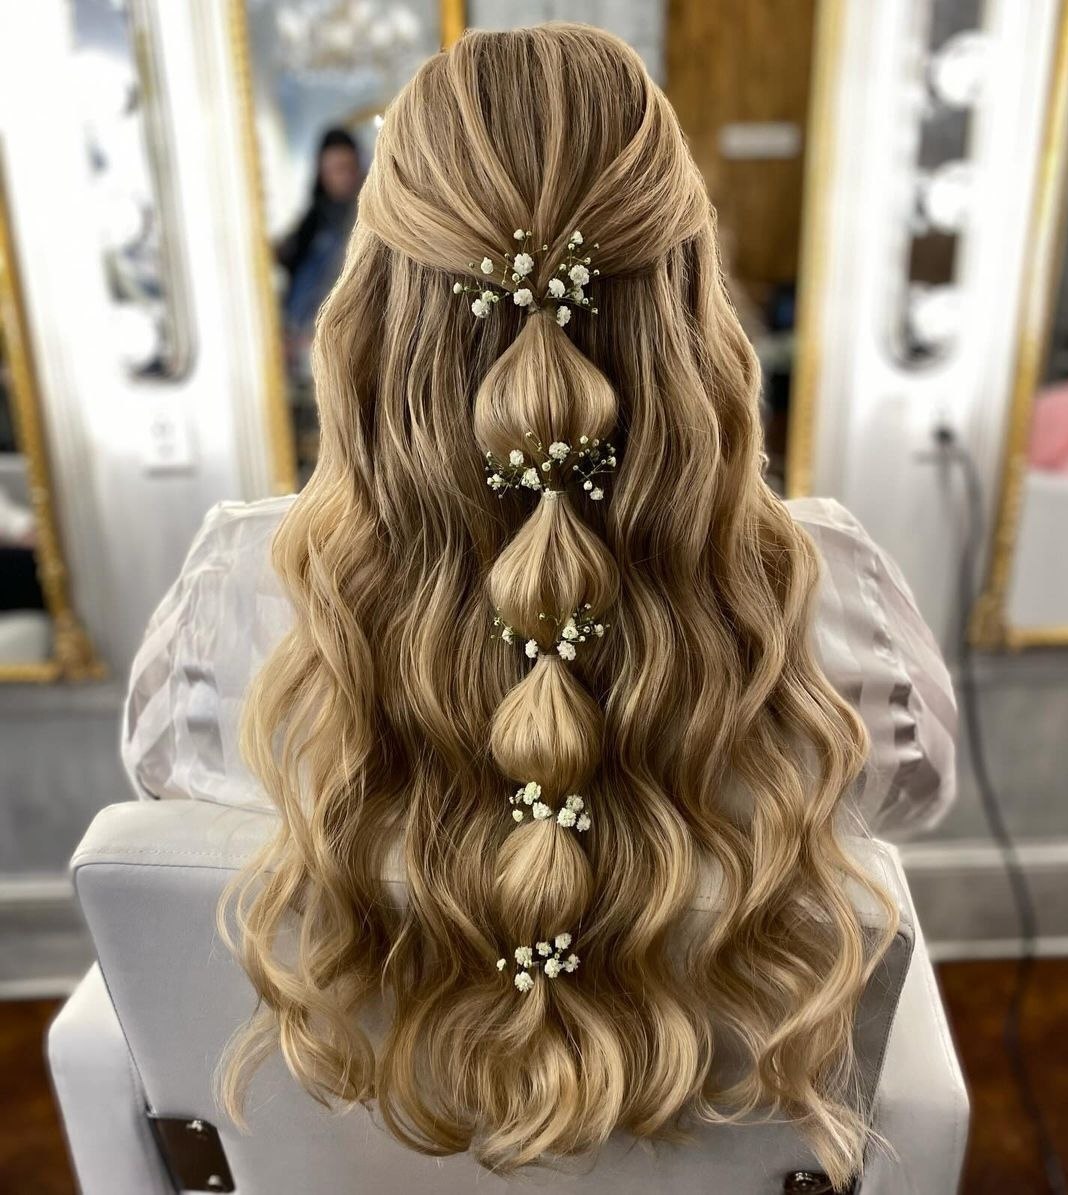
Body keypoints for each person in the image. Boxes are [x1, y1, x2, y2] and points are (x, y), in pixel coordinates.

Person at [122, 25, 956, 1190]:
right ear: (689, 292)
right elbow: (910, 801)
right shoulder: (829, 592)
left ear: (377, 298)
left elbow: (166, 791)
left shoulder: (237, 592)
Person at [276, 126, 363, 335]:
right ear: (323, 172)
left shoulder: (364, 222)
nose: (343, 177)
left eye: (348, 168)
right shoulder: (313, 224)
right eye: (336, 169)